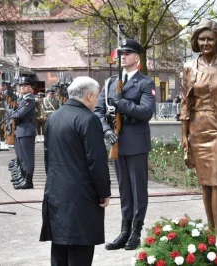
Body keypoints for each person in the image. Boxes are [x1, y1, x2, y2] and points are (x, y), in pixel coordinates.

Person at [39, 76, 111, 266]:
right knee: (80, 252)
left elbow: (48, 158)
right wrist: (104, 192)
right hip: (82, 197)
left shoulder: (53, 117)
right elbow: (96, 161)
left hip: (56, 193)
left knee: (59, 251)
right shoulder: (88, 120)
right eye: (96, 97)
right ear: (89, 95)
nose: (96, 102)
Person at [93, 38, 156, 251]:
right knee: (124, 189)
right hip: (116, 142)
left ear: (137, 57)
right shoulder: (111, 82)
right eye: (121, 53)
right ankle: (124, 230)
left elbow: (146, 112)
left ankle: (136, 231)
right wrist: (106, 130)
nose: (123, 57)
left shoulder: (146, 83)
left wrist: (122, 103)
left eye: (127, 53)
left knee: (138, 189)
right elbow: (98, 111)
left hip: (136, 142)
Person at [181, 19, 217, 244]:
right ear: (196, 41)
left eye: (210, 39)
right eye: (201, 39)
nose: (205, 43)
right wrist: (184, 136)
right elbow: (185, 105)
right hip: (197, 128)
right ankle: (210, 229)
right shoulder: (189, 67)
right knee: (205, 181)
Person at [6, 77, 37, 189]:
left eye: (24, 85)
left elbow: (19, 114)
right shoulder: (23, 99)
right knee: (21, 157)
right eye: (20, 86)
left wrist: (8, 111)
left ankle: (28, 181)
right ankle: (23, 177)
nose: (21, 87)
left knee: (27, 158)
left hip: (26, 130)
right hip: (21, 129)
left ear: (30, 88)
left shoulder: (29, 100)